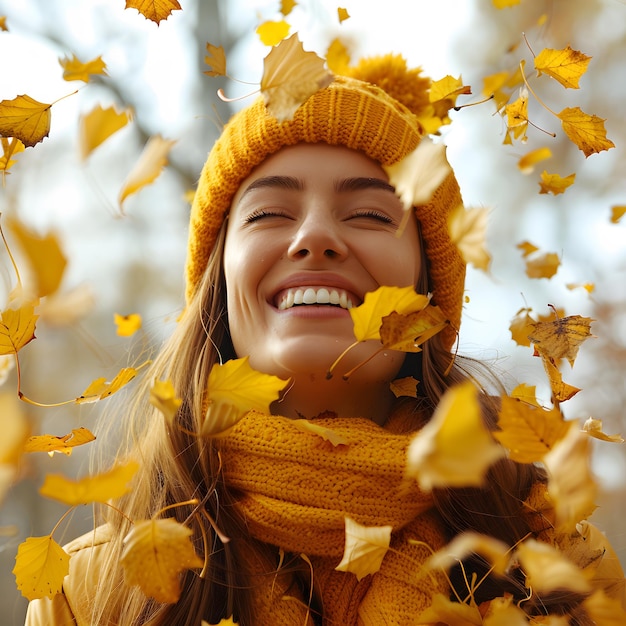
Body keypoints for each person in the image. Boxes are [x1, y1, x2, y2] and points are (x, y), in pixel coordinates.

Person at [24, 52, 624, 626]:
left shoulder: (557, 564)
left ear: (429, 288)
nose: (314, 236)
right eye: (268, 213)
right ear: (218, 281)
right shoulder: (87, 592)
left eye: (369, 214)